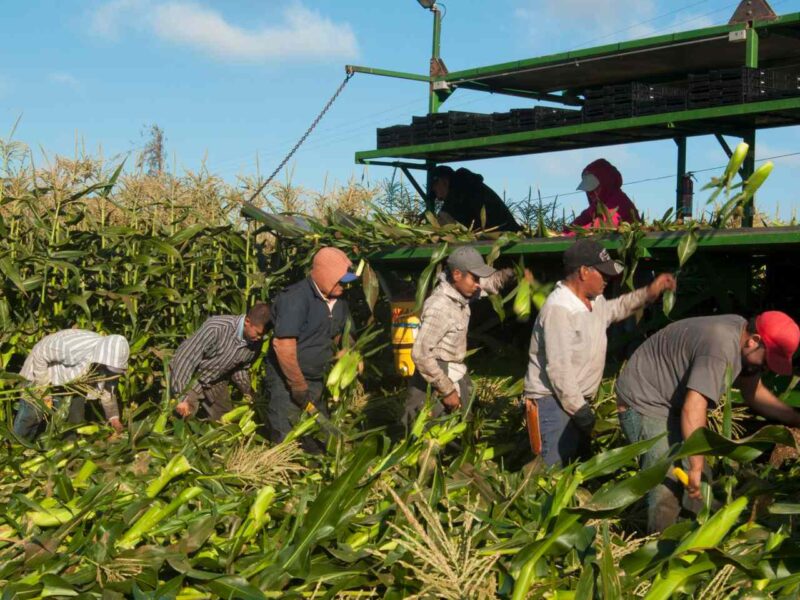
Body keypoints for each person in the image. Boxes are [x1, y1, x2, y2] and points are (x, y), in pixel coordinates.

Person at [616, 311, 800, 533]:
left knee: (700, 485)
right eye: (768, 360)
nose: (769, 368)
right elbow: (694, 407)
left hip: (673, 404)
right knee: (669, 486)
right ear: (755, 340)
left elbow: (753, 392)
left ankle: (691, 542)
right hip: (645, 401)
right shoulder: (720, 347)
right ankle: (659, 552)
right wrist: (695, 465)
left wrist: (795, 418)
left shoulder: (743, 340)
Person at [523, 239, 676, 466]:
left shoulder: (595, 301)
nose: (607, 279)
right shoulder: (560, 309)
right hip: (552, 404)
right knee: (551, 477)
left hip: (574, 403)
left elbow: (615, 309)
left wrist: (648, 293)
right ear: (584, 272)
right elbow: (558, 369)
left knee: (574, 470)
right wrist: (579, 410)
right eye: (603, 274)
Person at [403, 245, 518, 427]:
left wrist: (514, 272)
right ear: (457, 275)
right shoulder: (440, 307)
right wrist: (447, 391)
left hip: (454, 373)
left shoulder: (461, 294)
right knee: (431, 439)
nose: (478, 283)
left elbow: (490, 284)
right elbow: (421, 355)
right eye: (474, 278)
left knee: (458, 434)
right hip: (435, 379)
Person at [260, 247, 356, 445]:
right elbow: (284, 345)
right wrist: (297, 385)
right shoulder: (295, 299)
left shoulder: (340, 302)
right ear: (326, 275)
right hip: (287, 381)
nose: (344, 287)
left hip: (316, 379)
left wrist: (349, 356)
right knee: (286, 436)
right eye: (341, 281)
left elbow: (341, 335)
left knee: (314, 438)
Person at [14, 330, 130, 439]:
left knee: (74, 421)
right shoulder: (73, 347)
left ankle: (68, 453)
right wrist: (44, 389)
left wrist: (114, 418)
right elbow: (41, 354)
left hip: (74, 382)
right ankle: (17, 449)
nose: (107, 369)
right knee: (32, 414)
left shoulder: (107, 364)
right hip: (42, 371)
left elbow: (108, 389)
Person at [171, 303, 270, 421]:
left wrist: (247, 390)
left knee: (224, 422)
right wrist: (181, 396)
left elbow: (240, 368)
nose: (259, 338)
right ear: (247, 321)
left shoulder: (256, 342)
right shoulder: (216, 328)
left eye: (262, 335)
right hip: (190, 377)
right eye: (258, 333)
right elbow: (186, 359)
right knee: (184, 417)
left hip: (215, 379)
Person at [432, 166, 521, 232]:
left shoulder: (461, 188)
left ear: (444, 181)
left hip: (503, 237)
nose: (438, 197)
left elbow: (444, 219)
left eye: (435, 188)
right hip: (508, 235)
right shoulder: (469, 185)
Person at [570, 159, 640, 230]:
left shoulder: (620, 203)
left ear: (606, 183)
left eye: (594, 186)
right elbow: (576, 224)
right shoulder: (596, 207)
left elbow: (602, 225)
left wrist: (570, 233)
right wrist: (567, 231)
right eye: (588, 188)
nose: (590, 193)